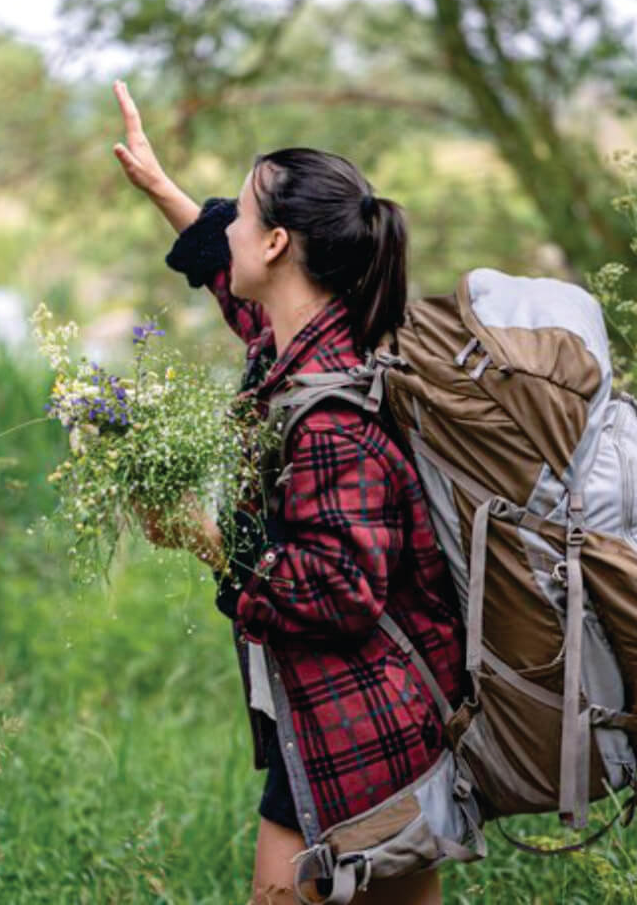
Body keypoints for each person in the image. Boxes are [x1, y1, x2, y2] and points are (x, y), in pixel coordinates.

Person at [112, 80, 465, 905]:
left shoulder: (328, 415)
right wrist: (160, 188)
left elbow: (340, 592)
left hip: (354, 734)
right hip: (387, 722)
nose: (223, 227)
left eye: (236, 215)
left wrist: (203, 536)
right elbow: (236, 300)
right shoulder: (303, 347)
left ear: (274, 244)